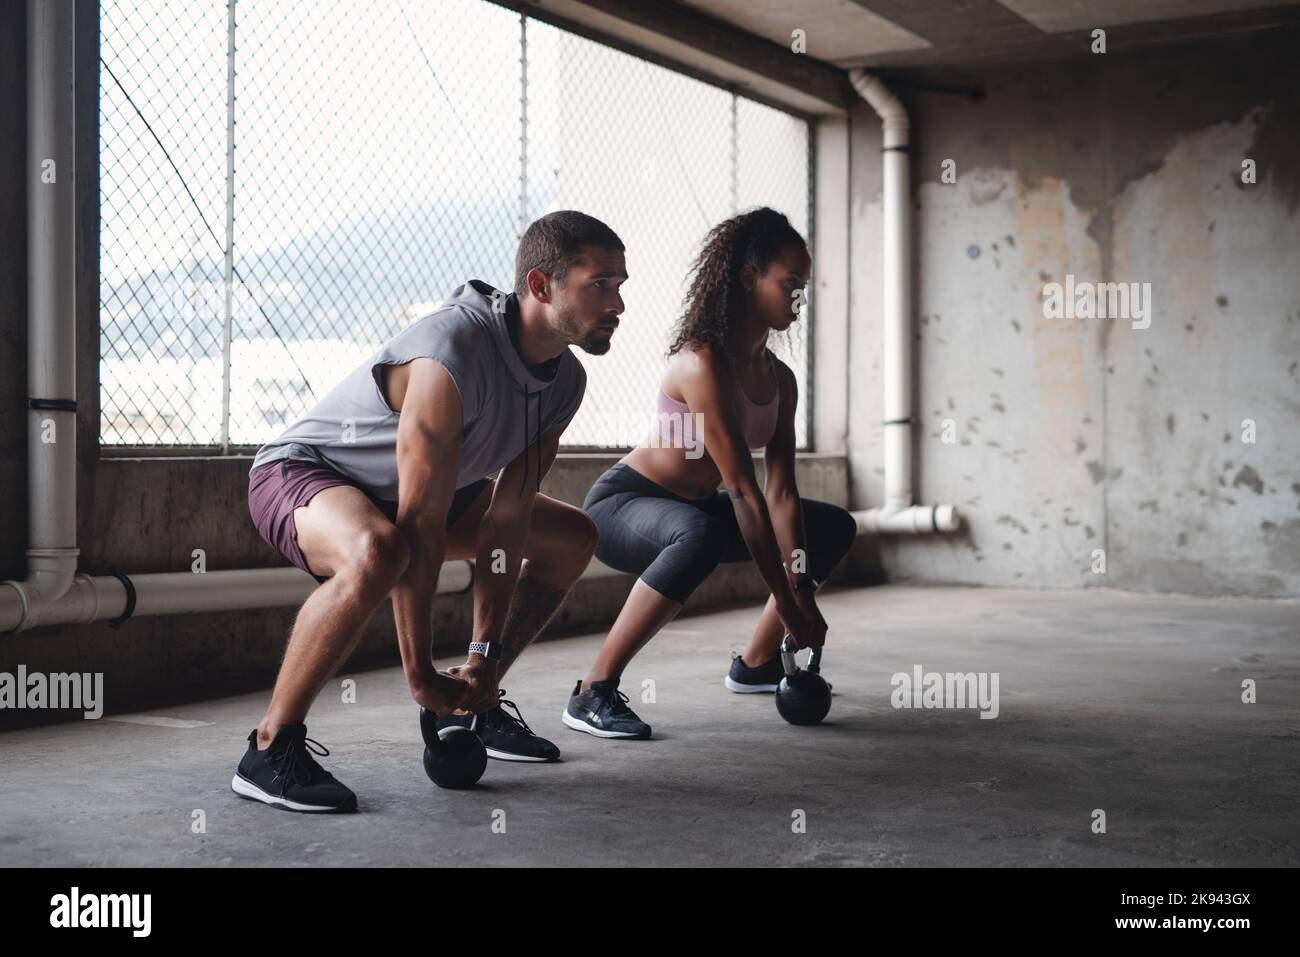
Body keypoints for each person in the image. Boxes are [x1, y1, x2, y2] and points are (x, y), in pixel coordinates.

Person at [238, 211, 627, 810]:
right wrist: (420, 676)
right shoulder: (454, 351)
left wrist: (481, 660)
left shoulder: (564, 381)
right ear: (542, 285)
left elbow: (508, 520)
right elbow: (419, 523)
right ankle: (270, 746)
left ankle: (481, 701)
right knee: (381, 550)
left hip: (427, 497)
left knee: (571, 536)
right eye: (600, 283)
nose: (618, 303)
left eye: (620, 285)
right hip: (307, 474)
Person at [567, 207, 857, 739]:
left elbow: (782, 493)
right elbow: (744, 491)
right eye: (790, 283)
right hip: (625, 507)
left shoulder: (780, 380)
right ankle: (593, 691)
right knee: (696, 532)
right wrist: (793, 604)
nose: (799, 298)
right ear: (749, 278)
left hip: (696, 510)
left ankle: (758, 663)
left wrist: (798, 585)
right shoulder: (700, 364)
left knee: (834, 525)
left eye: (804, 287)